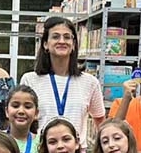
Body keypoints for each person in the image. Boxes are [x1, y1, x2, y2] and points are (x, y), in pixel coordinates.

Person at [20, 16, 105, 144]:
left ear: (73, 44)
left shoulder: (90, 82)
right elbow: (21, 122)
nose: (61, 41)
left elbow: (101, 123)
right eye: (55, 37)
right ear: (45, 44)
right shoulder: (30, 80)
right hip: (40, 152)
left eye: (67, 37)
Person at [5, 86, 40, 153]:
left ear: (36, 113)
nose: (21, 111)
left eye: (27, 107)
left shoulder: (42, 143)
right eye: (15, 106)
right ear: (7, 111)